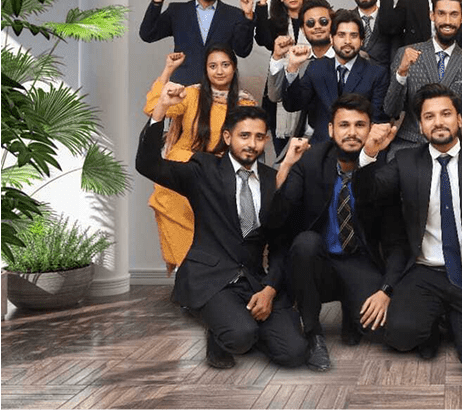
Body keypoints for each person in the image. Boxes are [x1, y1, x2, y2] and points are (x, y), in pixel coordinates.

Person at [353, 83, 462, 378]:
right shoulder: (405, 161)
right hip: (424, 272)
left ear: (459, 118)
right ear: (420, 126)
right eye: (429, 116)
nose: (438, 122)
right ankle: (437, 321)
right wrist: (369, 153)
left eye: (446, 114)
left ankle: (453, 317)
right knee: (399, 335)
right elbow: (368, 193)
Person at [136, 99, 307, 370]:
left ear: (266, 140)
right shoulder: (204, 170)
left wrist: (270, 289)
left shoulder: (270, 179)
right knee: (240, 336)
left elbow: (279, 243)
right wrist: (161, 110)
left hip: (252, 280)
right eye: (244, 135)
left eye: (259, 137)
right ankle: (222, 328)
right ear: (227, 137)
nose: (252, 144)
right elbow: (148, 165)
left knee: (294, 353)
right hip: (210, 278)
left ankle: (239, 325)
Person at [265, 94, 403, 372]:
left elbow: (397, 239)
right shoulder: (310, 162)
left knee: (387, 332)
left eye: (360, 125)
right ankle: (313, 332)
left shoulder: (383, 167)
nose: (352, 133)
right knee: (305, 242)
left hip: (360, 262)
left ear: (370, 129)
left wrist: (386, 289)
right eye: (344, 125)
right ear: (330, 129)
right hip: (317, 262)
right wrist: (287, 166)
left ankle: (352, 314)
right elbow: (276, 221)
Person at [143, 48, 255, 273]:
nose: (219, 71)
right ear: (205, 70)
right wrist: (168, 70)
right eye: (212, 66)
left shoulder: (245, 105)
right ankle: (187, 267)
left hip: (218, 169)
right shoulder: (191, 95)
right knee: (168, 197)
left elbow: (246, 147)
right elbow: (152, 108)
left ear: (234, 68)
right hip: (182, 163)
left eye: (225, 65)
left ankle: (205, 270)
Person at [383, 0, 462, 151]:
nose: (447, 21)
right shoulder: (405, 54)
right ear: (432, 16)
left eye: (454, 14)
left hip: (452, 149)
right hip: (408, 146)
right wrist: (401, 73)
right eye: (441, 14)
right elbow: (391, 110)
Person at [139, 0, 256, 85]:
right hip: (182, 89)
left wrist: (248, 16)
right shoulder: (177, 11)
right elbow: (147, 34)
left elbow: (243, 51)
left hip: (219, 89)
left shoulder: (234, 14)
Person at [281, 10, 390, 145]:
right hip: (320, 147)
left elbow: (376, 119)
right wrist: (292, 68)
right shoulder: (317, 67)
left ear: (361, 41)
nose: (347, 41)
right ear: (332, 39)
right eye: (341, 35)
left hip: (357, 146)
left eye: (354, 36)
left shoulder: (377, 73)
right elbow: (293, 105)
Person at [266, 0, 336, 154]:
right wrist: (278, 58)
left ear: (333, 25)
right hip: (302, 141)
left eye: (323, 21)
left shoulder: (348, 58)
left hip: (339, 143)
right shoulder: (301, 61)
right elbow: (275, 96)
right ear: (304, 30)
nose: (317, 27)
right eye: (310, 23)